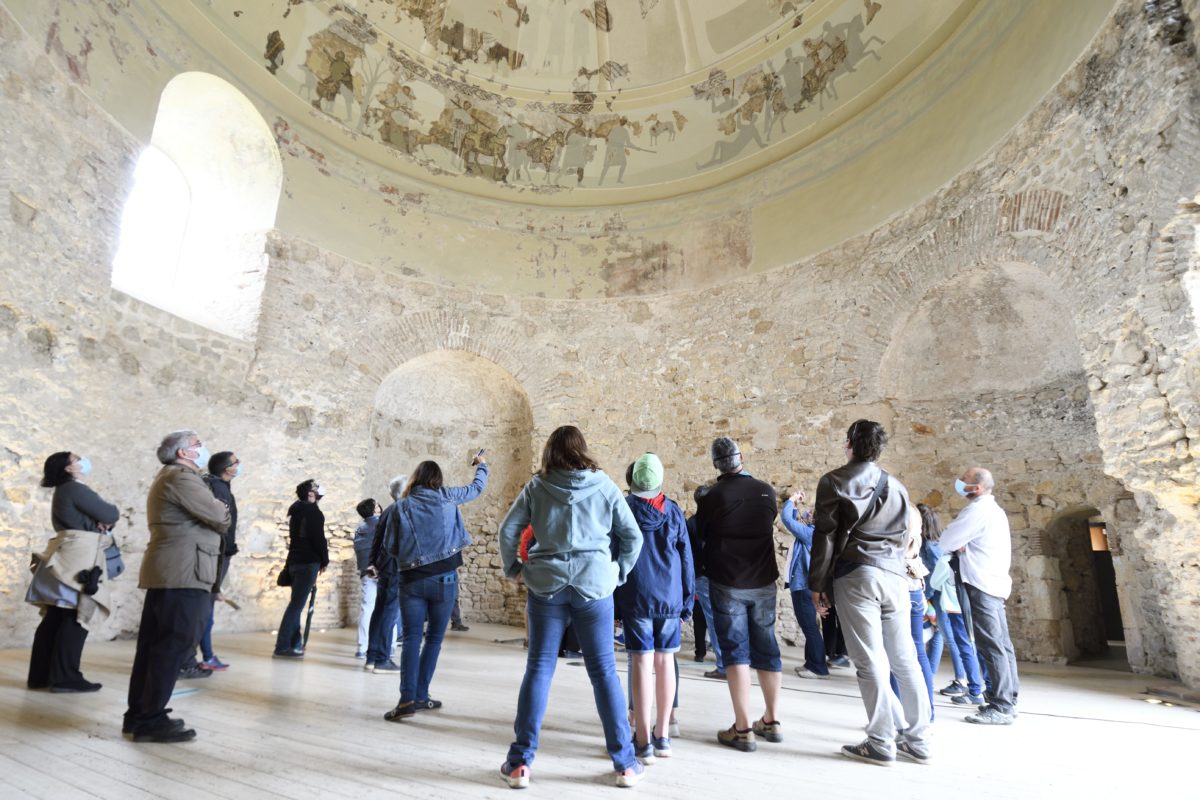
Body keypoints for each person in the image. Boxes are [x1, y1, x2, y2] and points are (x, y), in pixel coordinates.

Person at [497, 425, 644, 789]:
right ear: (582, 450)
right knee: (604, 672)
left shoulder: (538, 486)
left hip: (545, 585)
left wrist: (515, 568)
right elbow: (632, 536)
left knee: (539, 669)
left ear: (550, 451)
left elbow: (508, 531)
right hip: (595, 587)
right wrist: (618, 572)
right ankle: (625, 764)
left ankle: (519, 764)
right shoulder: (605, 485)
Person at [809, 420, 930, 765]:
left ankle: (880, 741)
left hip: (857, 575)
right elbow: (906, 537)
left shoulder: (834, 481)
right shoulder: (898, 487)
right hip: (895, 577)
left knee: (869, 661)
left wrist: (817, 584)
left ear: (848, 443)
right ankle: (919, 739)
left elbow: (826, 535)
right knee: (905, 659)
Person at [124, 430, 230, 742]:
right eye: (198, 444)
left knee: (155, 647)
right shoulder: (182, 478)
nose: (203, 448)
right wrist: (219, 505)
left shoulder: (172, 476)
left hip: (173, 570)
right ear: (184, 453)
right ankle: (150, 718)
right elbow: (220, 516)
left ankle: (140, 713)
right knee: (173, 645)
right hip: (184, 571)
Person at [382, 454, 489, 720]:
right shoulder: (448, 497)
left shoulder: (400, 507)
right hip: (445, 580)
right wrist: (482, 466)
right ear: (437, 479)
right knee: (434, 641)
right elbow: (476, 488)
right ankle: (421, 695)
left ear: (415, 479)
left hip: (412, 580)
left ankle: (407, 700)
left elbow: (390, 547)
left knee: (410, 640)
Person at [695, 437, 782, 753]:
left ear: (716, 464)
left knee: (736, 652)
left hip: (728, 581)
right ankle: (771, 720)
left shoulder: (713, 497)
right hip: (763, 580)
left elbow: (702, 533)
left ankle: (742, 727)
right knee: (767, 647)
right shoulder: (766, 491)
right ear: (740, 458)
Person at [615, 453, 694, 762]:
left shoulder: (623, 510)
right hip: (670, 599)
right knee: (665, 663)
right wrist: (687, 600)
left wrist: (615, 604)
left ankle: (643, 740)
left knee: (642, 665)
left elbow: (615, 556)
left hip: (636, 597)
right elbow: (686, 559)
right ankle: (663, 737)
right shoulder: (673, 512)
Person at [28, 451, 120, 693]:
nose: (82, 461)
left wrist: (96, 520)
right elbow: (111, 514)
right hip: (80, 557)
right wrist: (101, 520)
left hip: (67, 552)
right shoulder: (75, 489)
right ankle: (66, 677)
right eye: (76, 458)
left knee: (56, 617)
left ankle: (41, 676)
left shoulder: (64, 490)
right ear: (68, 468)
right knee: (76, 616)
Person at [938, 467, 1020, 725]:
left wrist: (958, 545)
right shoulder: (993, 510)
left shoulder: (978, 511)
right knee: (1002, 645)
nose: (959, 482)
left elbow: (946, 541)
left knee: (991, 645)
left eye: (964, 480)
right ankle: (1007, 698)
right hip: (991, 583)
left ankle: (1001, 706)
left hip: (981, 584)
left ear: (978, 487)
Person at [919, 504, 985, 706]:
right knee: (942, 637)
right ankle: (930, 675)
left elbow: (939, 574)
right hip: (944, 598)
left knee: (953, 640)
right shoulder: (935, 544)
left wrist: (927, 595)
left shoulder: (931, 547)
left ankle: (962, 680)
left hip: (943, 598)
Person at [193, 451, 240, 672]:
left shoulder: (212, 485)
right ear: (226, 468)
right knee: (205, 609)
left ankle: (205, 654)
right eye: (235, 462)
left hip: (217, 552)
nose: (238, 465)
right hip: (218, 553)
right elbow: (221, 521)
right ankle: (205, 656)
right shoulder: (219, 488)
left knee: (206, 605)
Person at [273, 479, 328, 658]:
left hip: (295, 562)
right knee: (296, 606)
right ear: (310, 494)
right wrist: (324, 560)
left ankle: (294, 644)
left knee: (296, 604)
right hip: (307, 563)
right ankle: (282, 646)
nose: (319, 490)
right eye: (316, 488)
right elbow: (318, 540)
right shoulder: (313, 513)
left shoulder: (297, 511)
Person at [780, 489, 829, 679]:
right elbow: (793, 522)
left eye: (810, 513)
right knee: (810, 627)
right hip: (807, 585)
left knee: (809, 627)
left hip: (803, 586)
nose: (807, 514)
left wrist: (791, 500)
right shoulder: (814, 533)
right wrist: (795, 506)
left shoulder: (810, 534)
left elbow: (788, 521)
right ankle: (811, 663)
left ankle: (818, 667)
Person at [364, 474, 407, 673]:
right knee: (389, 612)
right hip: (394, 567)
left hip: (384, 566)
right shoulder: (401, 510)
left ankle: (372, 657)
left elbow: (376, 540)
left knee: (380, 611)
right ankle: (382, 659)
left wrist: (372, 563)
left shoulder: (389, 510)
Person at [687, 485, 726, 679]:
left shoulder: (693, 522)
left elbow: (688, 553)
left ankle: (724, 665)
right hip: (719, 575)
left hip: (703, 576)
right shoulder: (720, 521)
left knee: (713, 620)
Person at [353, 498, 381, 658]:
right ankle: (388, 646)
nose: (379, 507)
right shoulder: (382, 524)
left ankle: (362, 647)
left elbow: (361, 550)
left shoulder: (360, 528)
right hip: (382, 571)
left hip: (366, 572)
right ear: (374, 510)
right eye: (377, 505)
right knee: (387, 608)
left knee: (366, 608)